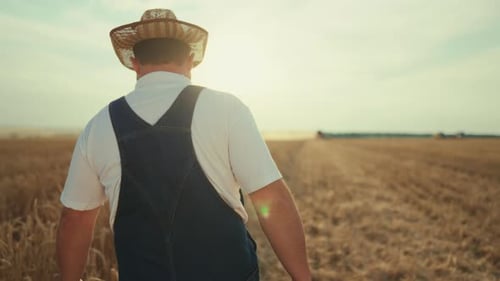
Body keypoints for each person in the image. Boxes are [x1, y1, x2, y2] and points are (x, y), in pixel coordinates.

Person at [56, 8, 311, 281]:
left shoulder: (98, 126)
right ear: (190, 60)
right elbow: (273, 199)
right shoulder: (226, 109)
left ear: (134, 62)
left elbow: (75, 219)